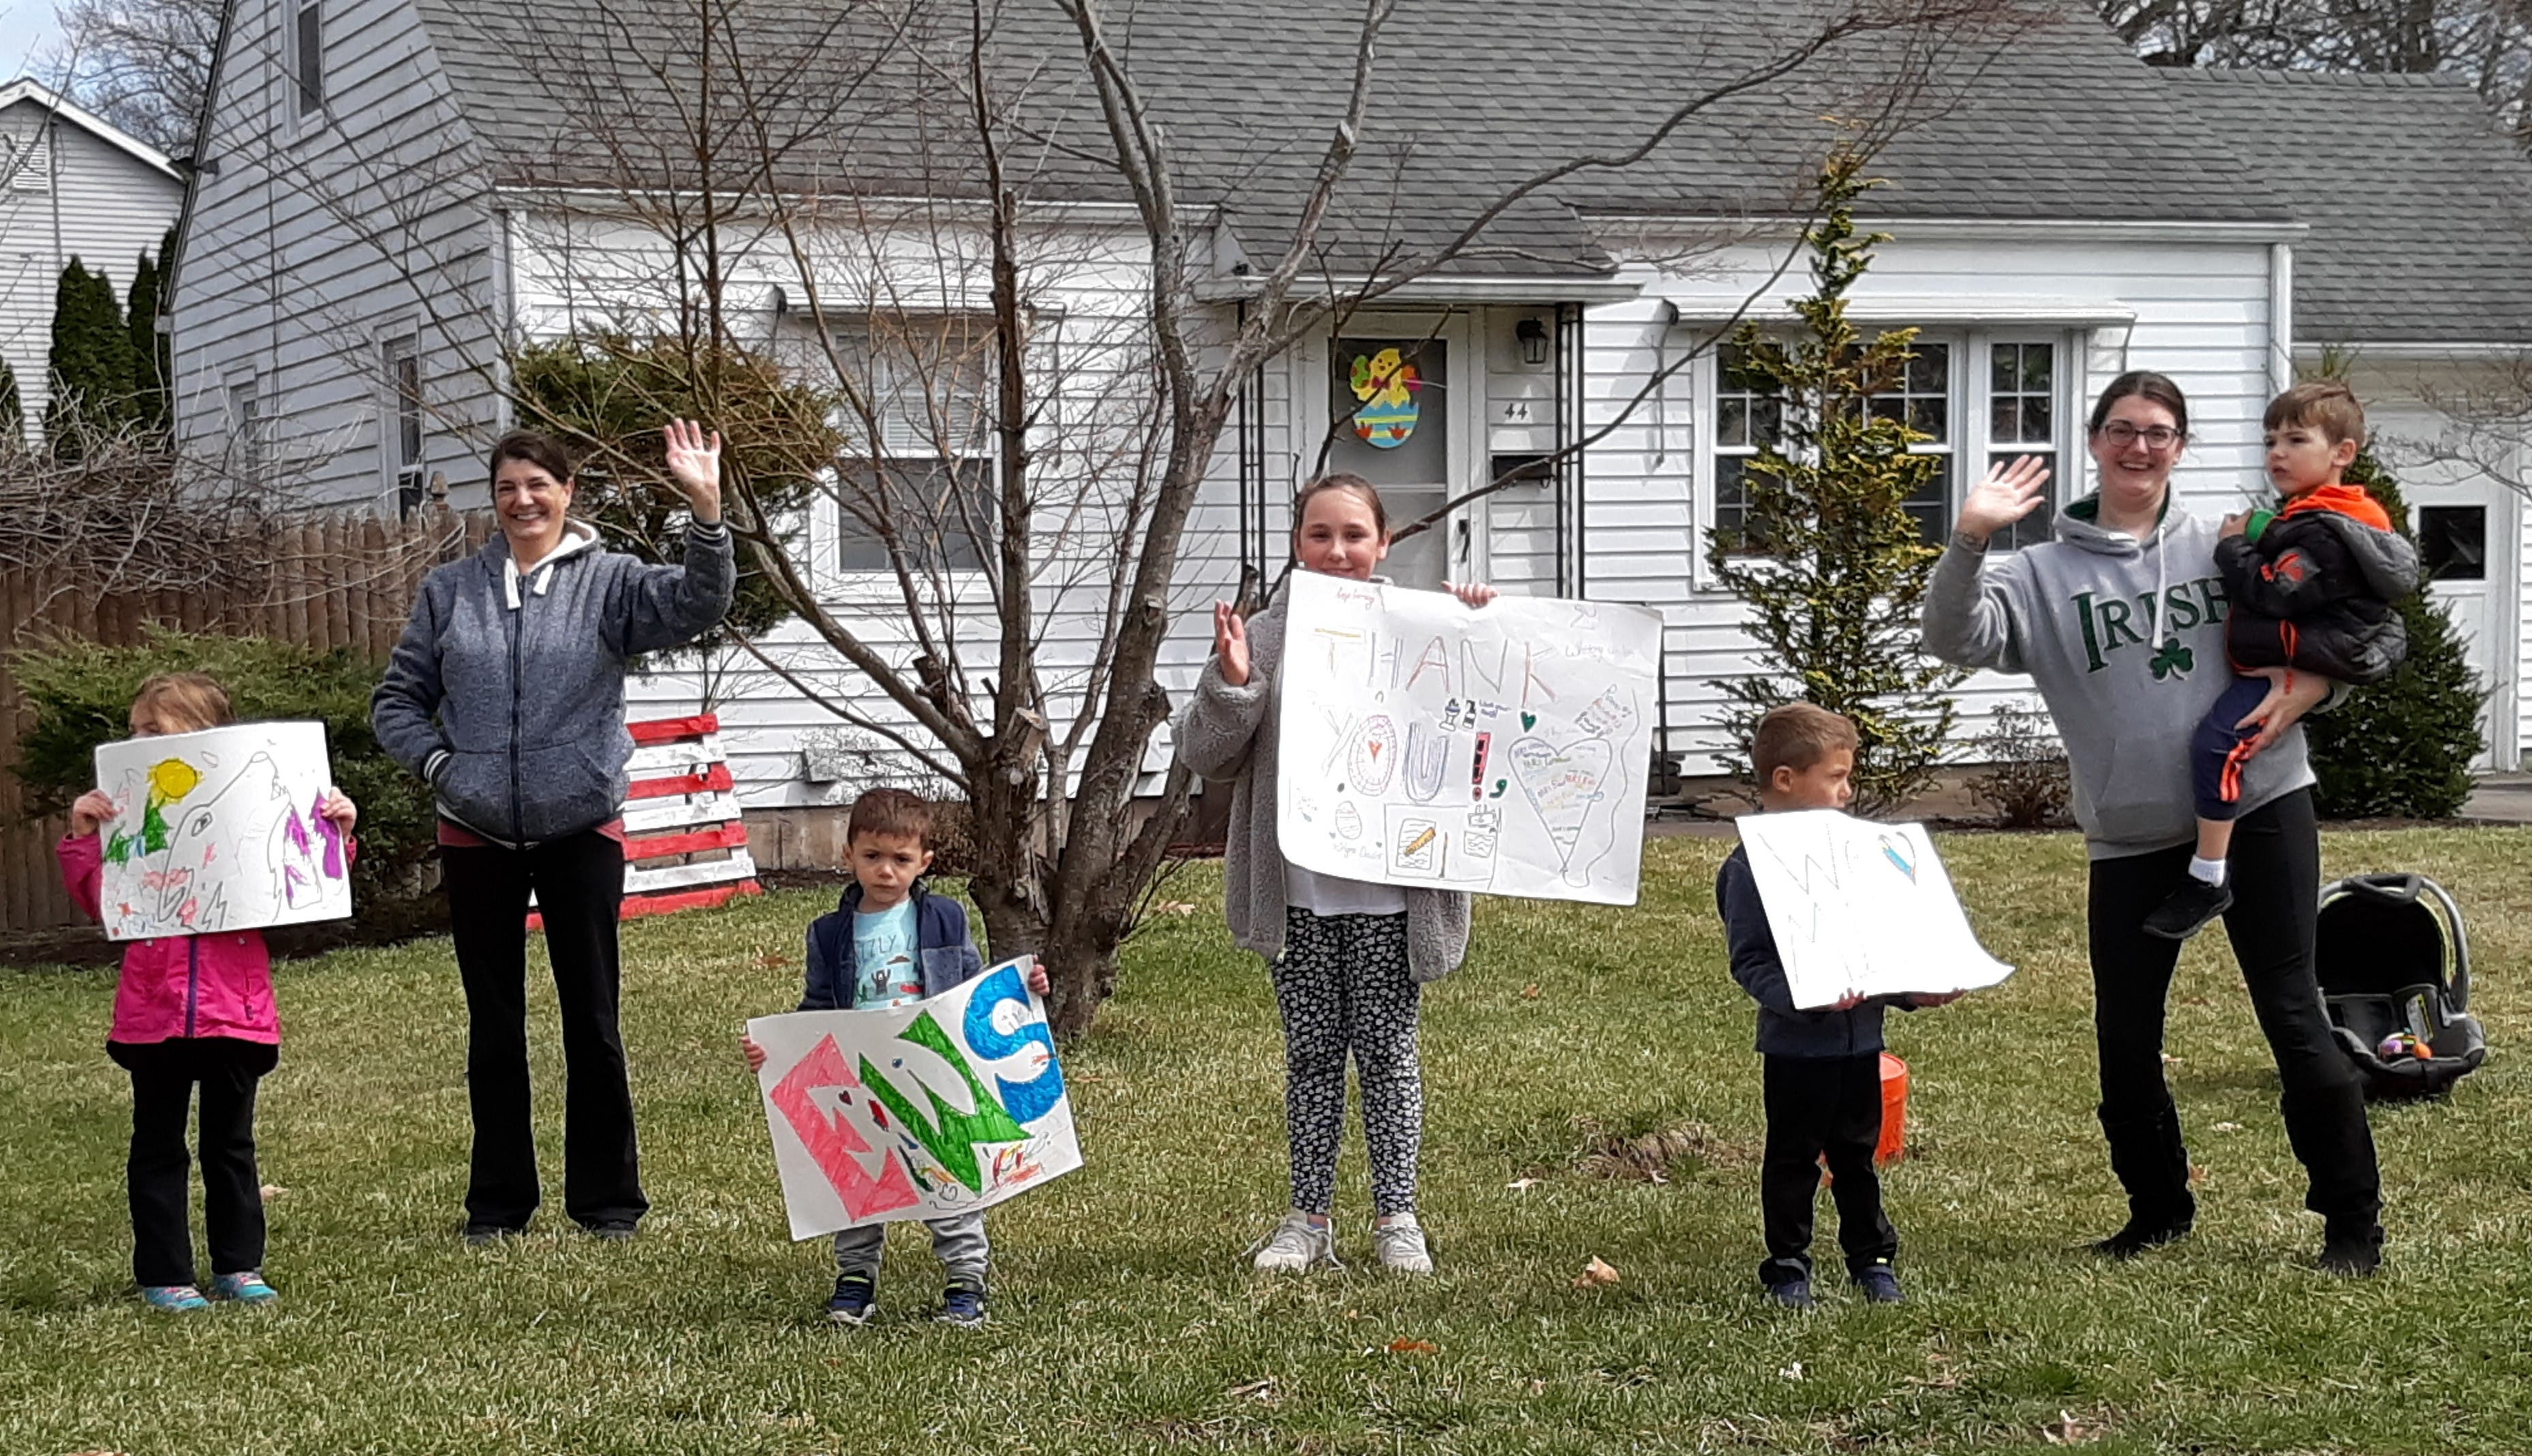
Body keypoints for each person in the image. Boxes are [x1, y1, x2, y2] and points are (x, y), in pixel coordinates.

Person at [1921, 370, 2385, 1275]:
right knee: (2126, 1034)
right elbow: (1952, 637)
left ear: (2179, 447)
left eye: (2159, 432)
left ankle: (2351, 1225)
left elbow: (2344, 629)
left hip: (2260, 806)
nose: (2139, 446)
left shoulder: (2227, 544)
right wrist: (1972, 537)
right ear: (2095, 440)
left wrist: (2313, 690)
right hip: (2131, 832)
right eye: (2122, 429)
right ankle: (2157, 1209)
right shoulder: (2039, 574)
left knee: (2292, 1011)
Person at [372, 422, 735, 1244]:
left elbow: (699, 603)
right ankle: (498, 1206)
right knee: (494, 1026)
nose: (522, 500)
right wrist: (441, 767)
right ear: (493, 500)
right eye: (507, 487)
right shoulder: (450, 592)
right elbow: (396, 701)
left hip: (581, 826)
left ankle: (608, 1203)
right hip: (475, 830)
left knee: (592, 1019)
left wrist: (706, 512)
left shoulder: (610, 583)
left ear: (567, 493)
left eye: (538, 484)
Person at [1177, 473, 1494, 1276]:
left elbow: (1479, 724)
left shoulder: (1426, 628)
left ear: (1384, 542)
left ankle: (1396, 1220)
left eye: (1354, 534)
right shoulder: (1262, 636)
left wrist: (1481, 630)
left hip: (1392, 895)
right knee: (1313, 1056)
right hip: (1299, 896)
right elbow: (1207, 757)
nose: (1337, 550)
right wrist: (1235, 684)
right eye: (1319, 534)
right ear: (1297, 543)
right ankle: (1307, 1221)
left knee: (1387, 1053)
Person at [56, 672, 358, 1312]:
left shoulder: (251, 801)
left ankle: (238, 1265)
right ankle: (164, 1272)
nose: (137, 742)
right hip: (154, 1014)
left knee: (231, 1146)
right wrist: (83, 837)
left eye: (152, 730)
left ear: (199, 736)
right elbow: (105, 902)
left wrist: (337, 830)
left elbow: (300, 879)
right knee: (157, 1147)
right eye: (134, 731)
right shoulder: (132, 813)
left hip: (236, 1012)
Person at [740, 790, 1047, 1328]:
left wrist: (1024, 989)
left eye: (901, 859)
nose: (886, 870)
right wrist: (778, 1050)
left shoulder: (945, 918)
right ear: (849, 855)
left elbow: (971, 990)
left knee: (949, 1173)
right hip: (861, 1078)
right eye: (872, 856)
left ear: (924, 862)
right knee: (858, 1177)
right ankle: (855, 1278)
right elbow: (816, 1008)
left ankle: (966, 1277)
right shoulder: (829, 933)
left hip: (931, 1069)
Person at [2147, 382, 2417, 941]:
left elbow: (2276, 590)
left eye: (2296, 440)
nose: (2277, 453)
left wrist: (2232, 547)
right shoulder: (2325, 516)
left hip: (2297, 659)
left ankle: (2207, 875)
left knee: (2218, 744)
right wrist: (2261, 529)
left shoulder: (2329, 531)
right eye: (2270, 440)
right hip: (2300, 655)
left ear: (2342, 453)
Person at [1716, 703, 1957, 1309]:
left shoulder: (1859, 855)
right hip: (1796, 1048)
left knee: (1857, 1156)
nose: (1848, 792)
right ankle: (1787, 1264)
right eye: (1837, 777)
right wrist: (1806, 997)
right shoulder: (1749, 867)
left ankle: (1872, 1258)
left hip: (1861, 1044)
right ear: (1786, 779)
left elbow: (1877, 950)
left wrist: (1913, 991)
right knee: (1794, 1158)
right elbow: (1751, 962)